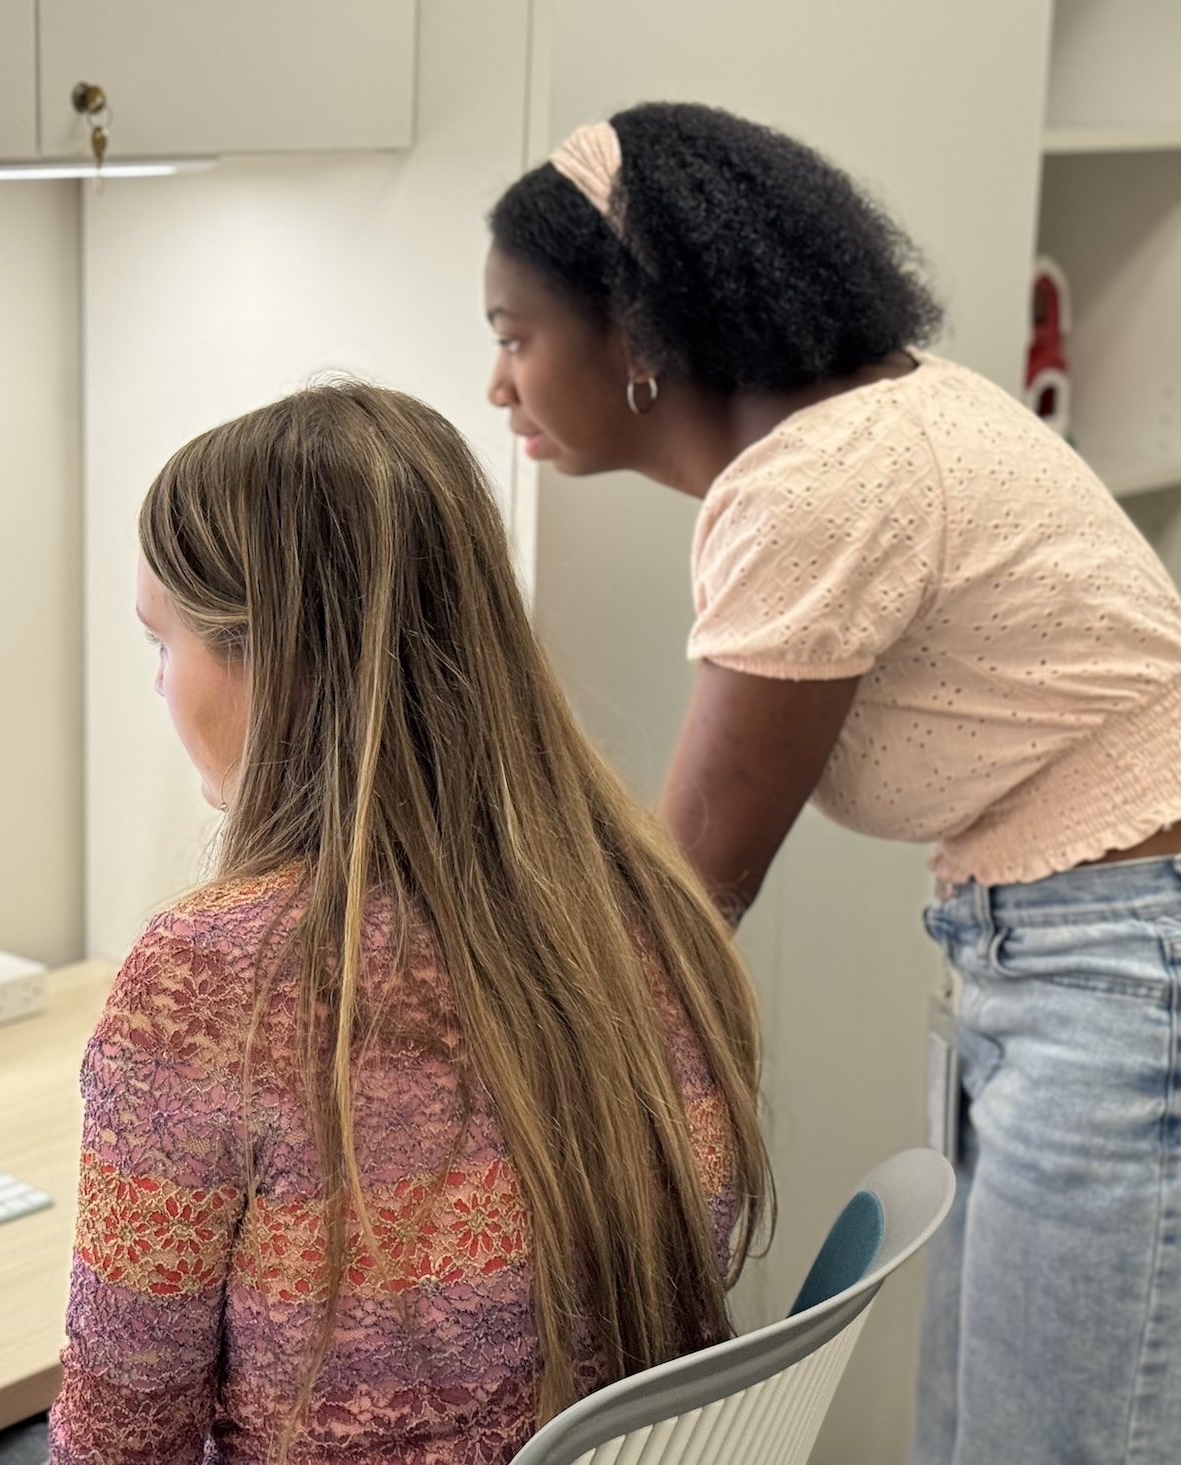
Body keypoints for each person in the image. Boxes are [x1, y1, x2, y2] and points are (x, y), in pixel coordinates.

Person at [484, 101, 1181, 1465]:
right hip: (1059, 952)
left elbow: (692, 891)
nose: (497, 385)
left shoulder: (816, 482)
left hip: (1121, 965)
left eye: (514, 336)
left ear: (636, 328)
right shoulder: (867, 420)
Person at [48, 382, 771, 1463]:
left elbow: (119, 1445)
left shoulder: (211, 981)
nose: (162, 687)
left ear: (274, 662)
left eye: (168, 643)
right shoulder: (645, 900)